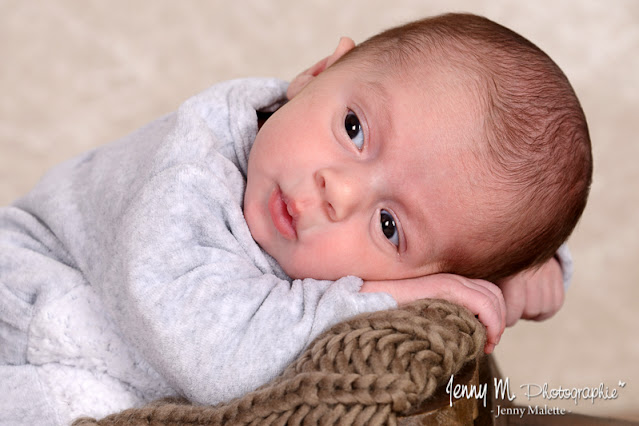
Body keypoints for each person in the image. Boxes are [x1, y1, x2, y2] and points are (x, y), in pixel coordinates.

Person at [0, 13, 590, 425]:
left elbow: (481, 220)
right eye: (354, 130)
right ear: (315, 74)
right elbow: (215, 360)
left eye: (389, 226)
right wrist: (388, 298)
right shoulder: (186, 172)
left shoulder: (302, 184)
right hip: (32, 322)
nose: (339, 192)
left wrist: (514, 277)